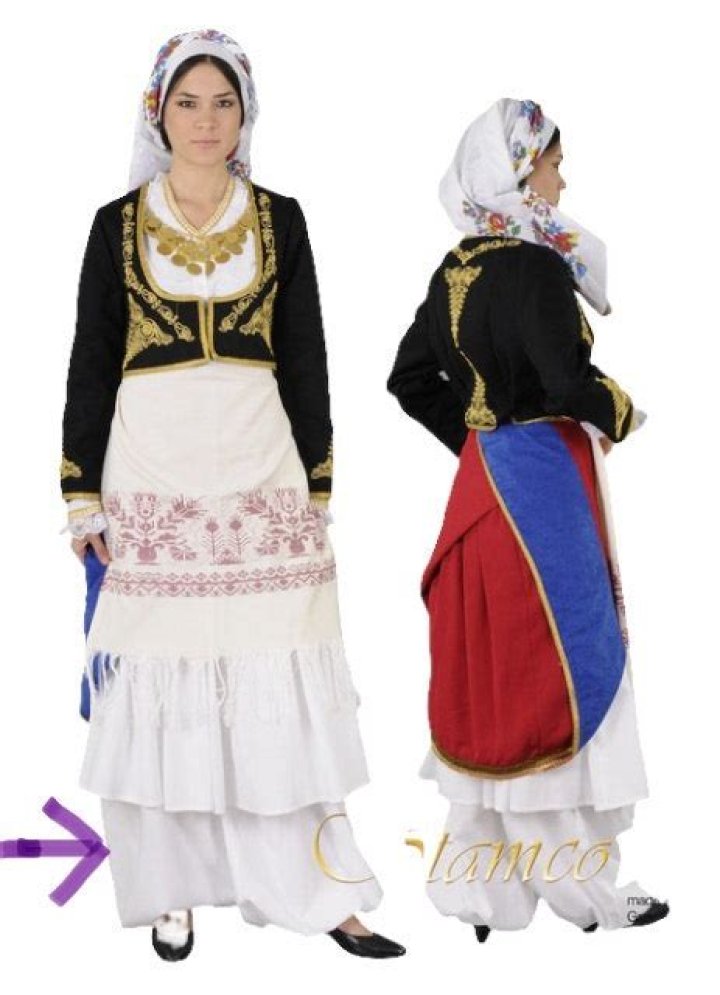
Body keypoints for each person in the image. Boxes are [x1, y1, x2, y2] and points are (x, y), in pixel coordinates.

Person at [60, 27, 405, 961]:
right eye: (187, 102)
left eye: (223, 103)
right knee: (161, 678)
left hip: (262, 472)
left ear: (246, 113)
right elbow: (91, 363)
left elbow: (306, 353)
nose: (206, 121)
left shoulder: (281, 218)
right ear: (158, 113)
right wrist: (82, 494)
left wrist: (318, 482)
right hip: (152, 473)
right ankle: (170, 889)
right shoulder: (115, 225)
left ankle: (324, 891)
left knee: (280, 676)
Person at [386, 97, 669, 938]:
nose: (561, 180)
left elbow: (408, 379)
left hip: (481, 493)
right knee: (558, 670)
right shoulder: (539, 267)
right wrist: (623, 411)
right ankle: (587, 896)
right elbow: (563, 381)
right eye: (551, 163)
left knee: (493, 672)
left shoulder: (455, 269)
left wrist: (479, 440)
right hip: (542, 492)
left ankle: (480, 893)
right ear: (517, 170)